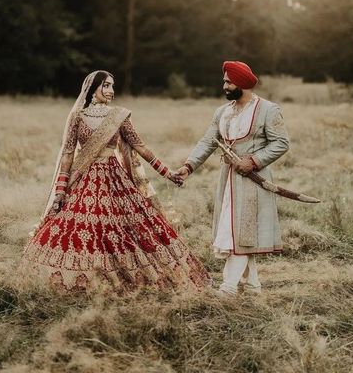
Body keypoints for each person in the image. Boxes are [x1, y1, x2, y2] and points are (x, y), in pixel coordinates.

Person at [20, 70, 209, 292]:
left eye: (112, 86)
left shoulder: (119, 116)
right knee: (81, 229)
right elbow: (68, 154)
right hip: (83, 180)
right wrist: (61, 191)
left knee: (124, 228)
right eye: (106, 86)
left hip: (114, 180)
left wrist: (167, 173)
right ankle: (84, 283)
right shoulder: (77, 117)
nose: (111, 91)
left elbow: (141, 148)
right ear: (93, 89)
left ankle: (124, 279)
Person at [174, 61, 290, 295]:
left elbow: (281, 143)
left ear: (243, 83)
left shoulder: (269, 110)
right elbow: (208, 141)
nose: (224, 85)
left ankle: (227, 288)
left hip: (254, 182)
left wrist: (254, 161)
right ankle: (253, 286)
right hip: (228, 181)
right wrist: (188, 167)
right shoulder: (222, 112)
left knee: (242, 232)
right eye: (224, 81)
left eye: (229, 81)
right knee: (233, 230)